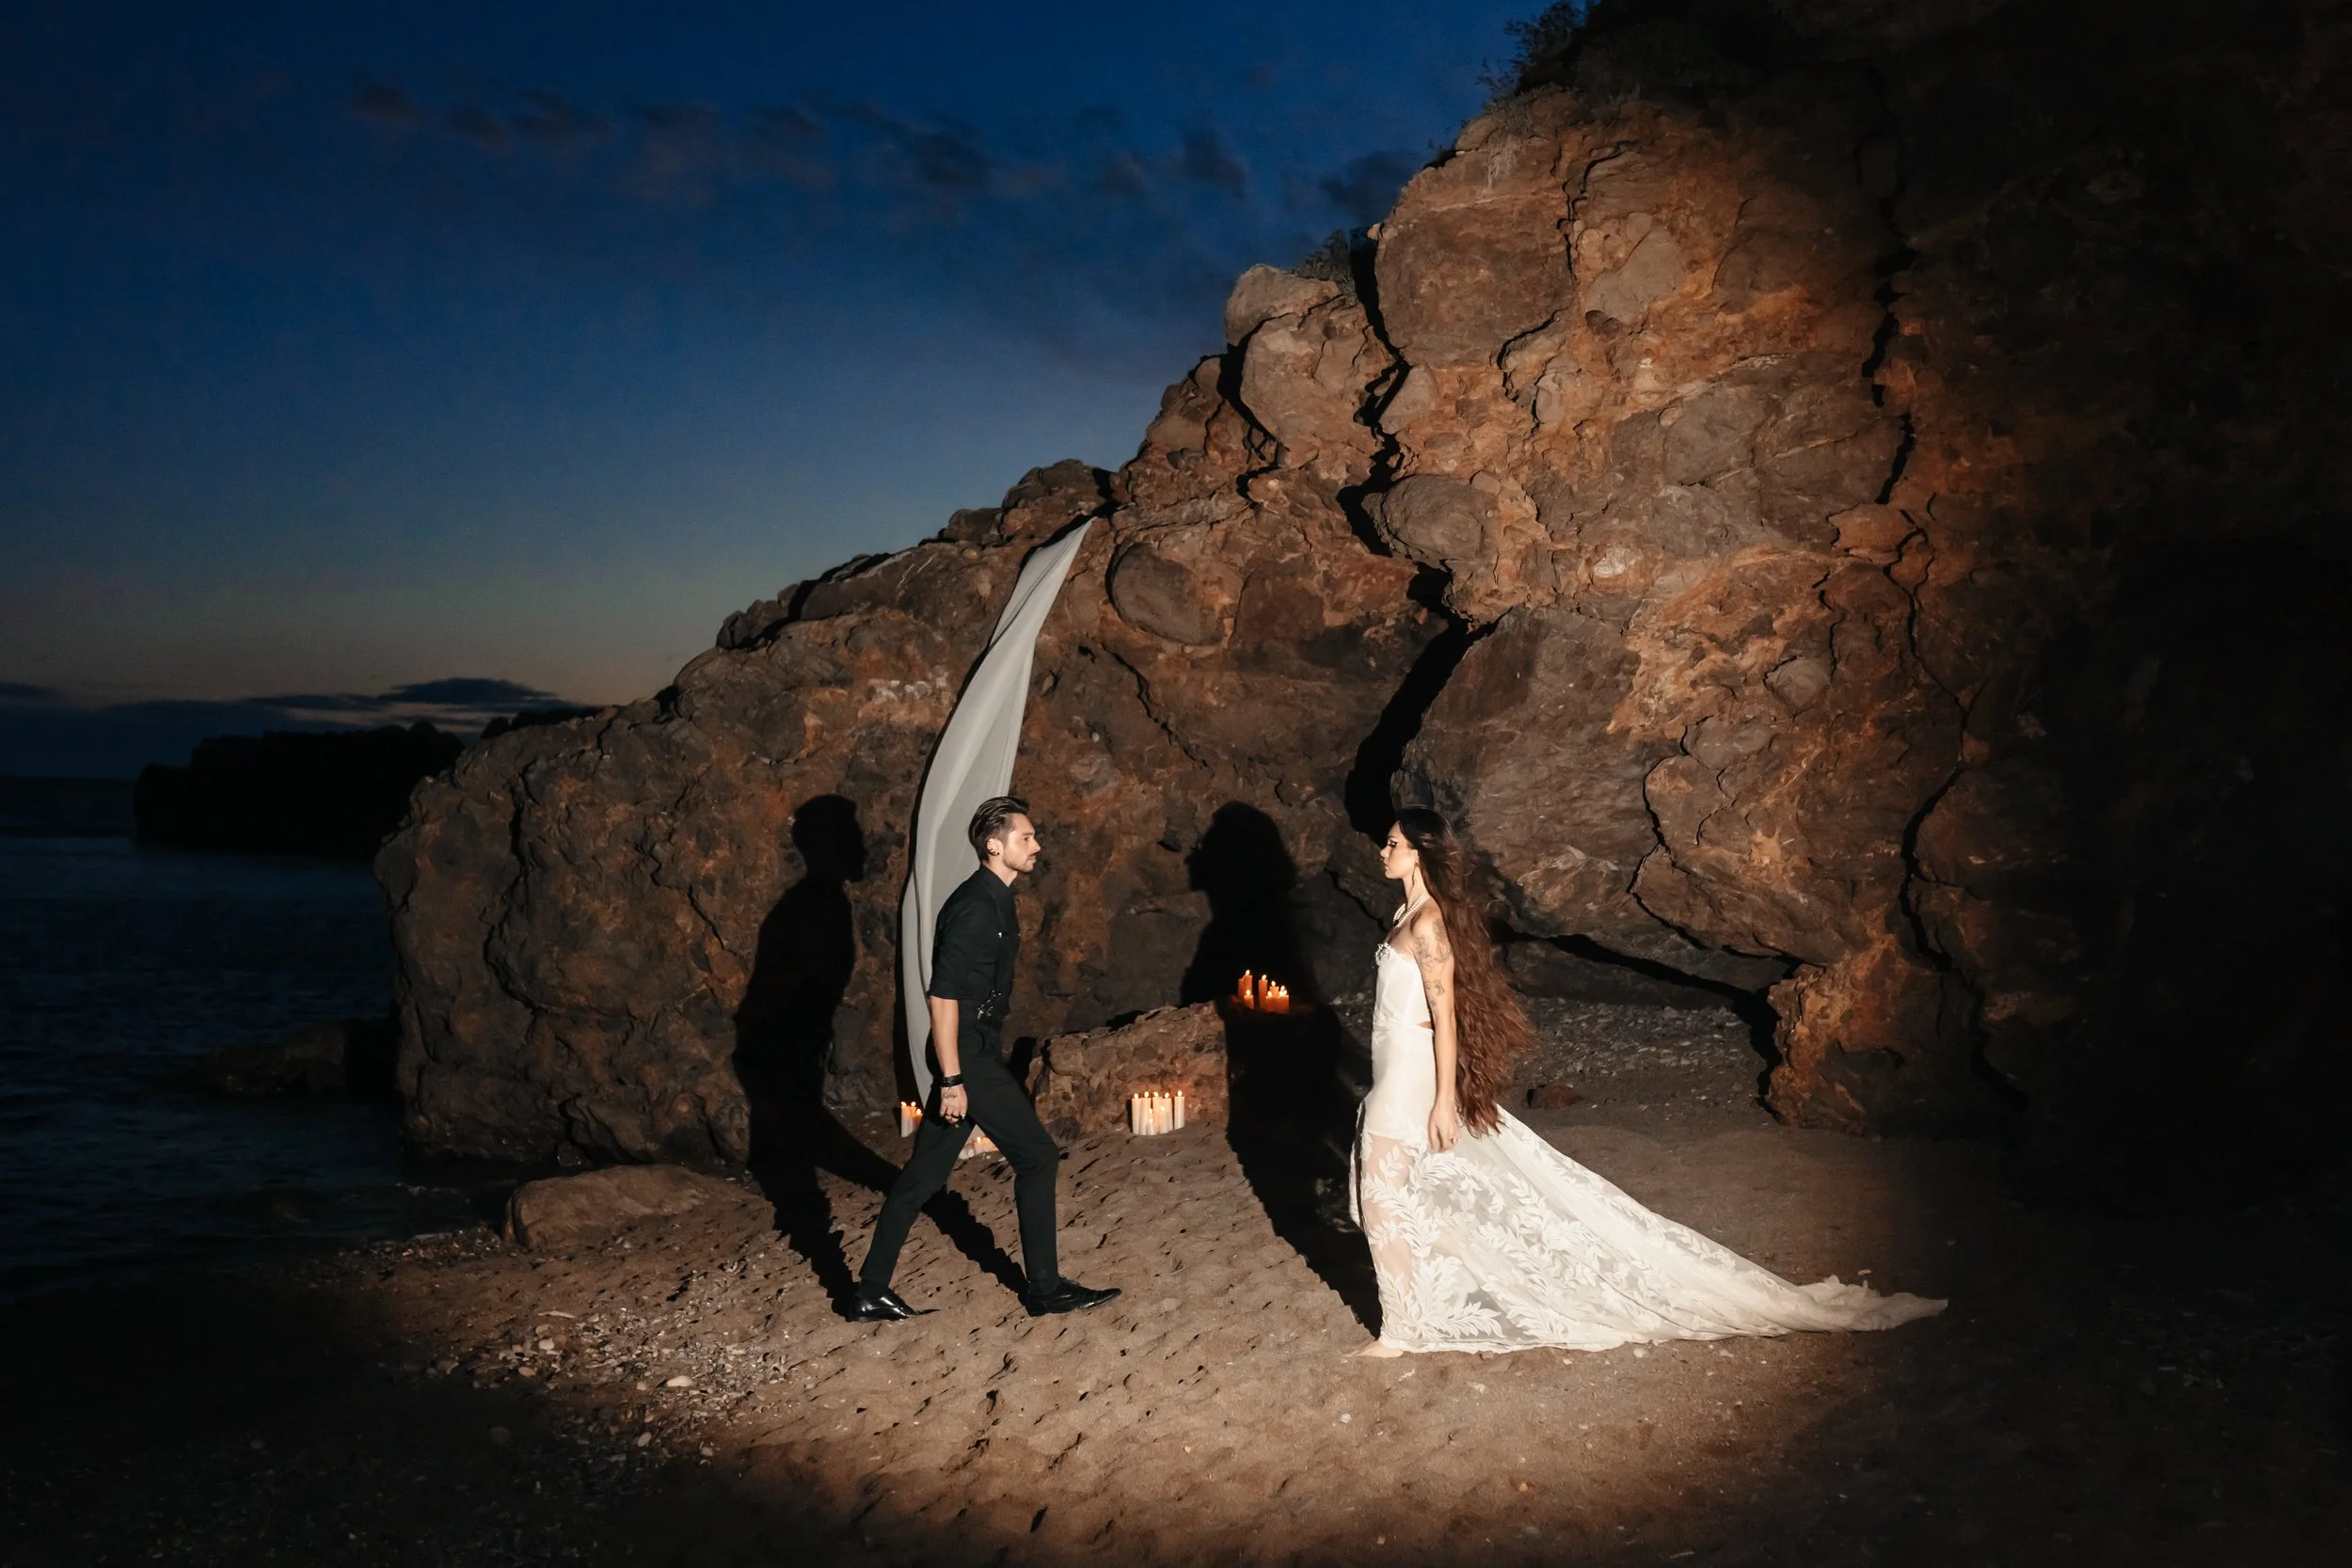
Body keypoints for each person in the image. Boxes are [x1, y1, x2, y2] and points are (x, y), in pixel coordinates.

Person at [1352, 807, 1945, 1356]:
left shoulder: (1429, 925)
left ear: (1421, 854)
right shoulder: (1407, 914)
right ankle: (1422, 1316)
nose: (1384, 851)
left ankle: (1400, 1333)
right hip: (1396, 1069)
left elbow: (1445, 1015)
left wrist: (1441, 1102)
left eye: (1394, 843)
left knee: (1384, 1203)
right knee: (1400, 1200)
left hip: (1408, 1078)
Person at [851, 796, 1120, 1323]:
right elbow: (943, 999)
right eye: (1027, 838)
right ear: (994, 846)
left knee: (922, 1179)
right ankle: (1044, 1289)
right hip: (966, 1056)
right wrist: (953, 1078)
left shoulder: (996, 897)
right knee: (1038, 1155)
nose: (1037, 846)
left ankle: (869, 1289)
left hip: (971, 1051)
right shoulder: (976, 906)